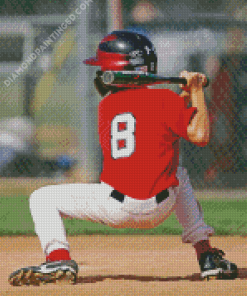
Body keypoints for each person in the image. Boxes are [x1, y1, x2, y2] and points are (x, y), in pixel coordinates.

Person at [9, 31, 238, 286]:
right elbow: (199, 134)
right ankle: (206, 256)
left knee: (42, 197)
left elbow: (154, 118)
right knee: (179, 174)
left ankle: (59, 257)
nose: (101, 75)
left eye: (104, 68)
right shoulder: (166, 100)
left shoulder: (106, 106)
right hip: (161, 206)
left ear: (117, 72)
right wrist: (195, 92)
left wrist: (186, 94)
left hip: (117, 206)